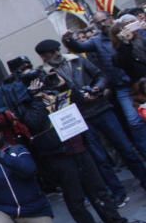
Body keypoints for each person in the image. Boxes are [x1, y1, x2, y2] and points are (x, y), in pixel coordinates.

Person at [15, 69, 146, 223]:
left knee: (99, 190)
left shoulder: (56, 92)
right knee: (75, 197)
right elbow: (33, 122)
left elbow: (81, 102)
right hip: (58, 155)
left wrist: (66, 85)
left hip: (79, 147)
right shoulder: (25, 102)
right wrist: (36, 98)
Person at [35, 38, 146, 200]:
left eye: (57, 50)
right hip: (80, 116)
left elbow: (101, 75)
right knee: (99, 158)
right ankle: (118, 193)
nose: (57, 54)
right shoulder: (44, 75)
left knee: (126, 148)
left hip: (101, 108)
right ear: (44, 56)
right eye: (51, 53)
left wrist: (97, 88)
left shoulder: (77, 59)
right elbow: (52, 99)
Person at [64, 11, 146, 155]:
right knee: (134, 121)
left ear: (110, 19)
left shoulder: (130, 33)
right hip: (122, 86)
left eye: (104, 20)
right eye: (99, 22)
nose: (103, 24)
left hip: (140, 81)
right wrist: (69, 40)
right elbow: (80, 48)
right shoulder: (97, 41)